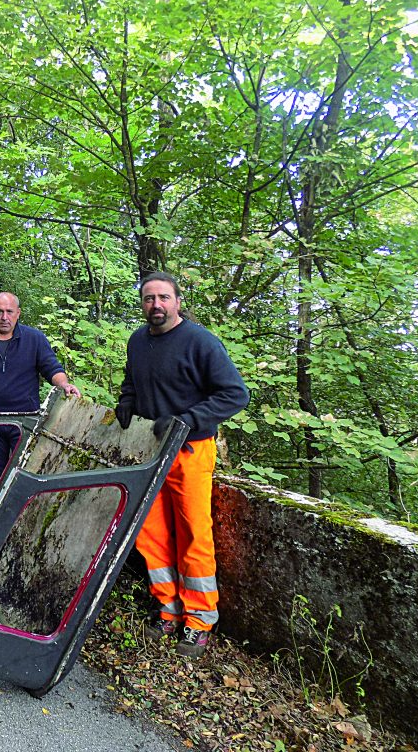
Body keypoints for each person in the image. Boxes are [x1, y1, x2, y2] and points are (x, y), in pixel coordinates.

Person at [115, 271, 249, 659]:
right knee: (151, 533)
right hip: (149, 452)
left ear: (177, 301)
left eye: (163, 298)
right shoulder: (138, 341)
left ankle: (200, 619)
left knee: (193, 533)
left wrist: (190, 418)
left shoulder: (200, 342)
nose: (156, 305)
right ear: (142, 303)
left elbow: (236, 394)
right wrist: (127, 401)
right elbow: (133, 381)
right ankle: (168, 607)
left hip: (190, 451)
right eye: (149, 298)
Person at [0, 292, 81, 505]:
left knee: (24, 475)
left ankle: (17, 526)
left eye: (9, 312)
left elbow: (51, 367)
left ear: (18, 313)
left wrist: (64, 385)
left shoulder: (34, 339)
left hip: (26, 420)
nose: (4, 317)